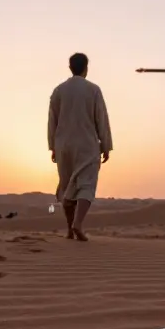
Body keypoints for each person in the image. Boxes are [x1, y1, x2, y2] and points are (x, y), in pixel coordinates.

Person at [48, 52, 112, 241]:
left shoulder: (58, 90)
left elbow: (52, 121)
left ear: (70, 67)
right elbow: (101, 118)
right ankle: (78, 224)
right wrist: (106, 145)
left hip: (63, 145)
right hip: (87, 144)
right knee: (86, 184)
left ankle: (69, 229)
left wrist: (53, 146)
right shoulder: (93, 90)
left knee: (67, 186)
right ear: (86, 68)